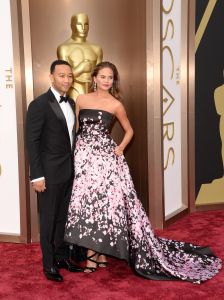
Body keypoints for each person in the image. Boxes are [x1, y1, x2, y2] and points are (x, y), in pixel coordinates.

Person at [64, 61, 222, 283]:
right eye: (103, 76)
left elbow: (130, 131)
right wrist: (75, 155)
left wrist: (119, 149)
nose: (107, 81)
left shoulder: (115, 104)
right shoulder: (81, 99)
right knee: (88, 205)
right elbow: (77, 130)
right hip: (83, 159)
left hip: (105, 161)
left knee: (102, 205)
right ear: (95, 78)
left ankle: (94, 257)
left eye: (110, 77)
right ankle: (97, 254)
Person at [26, 60, 83, 282]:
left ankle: (61, 257)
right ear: (51, 77)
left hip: (68, 172)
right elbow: (32, 142)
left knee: (62, 219)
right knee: (48, 220)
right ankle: (48, 264)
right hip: (48, 175)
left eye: (69, 76)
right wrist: (37, 175)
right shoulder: (39, 104)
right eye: (61, 75)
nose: (66, 80)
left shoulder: (70, 102)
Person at [57, 13, 103, 100]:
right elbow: (63, 77)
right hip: (74, 92)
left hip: (93, 94)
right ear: (72, 26)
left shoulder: (96, 49)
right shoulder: (64, 48)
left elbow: (100, 77)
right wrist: (80, 68)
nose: (83, 28)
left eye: (86, 24)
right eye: (79, 24)